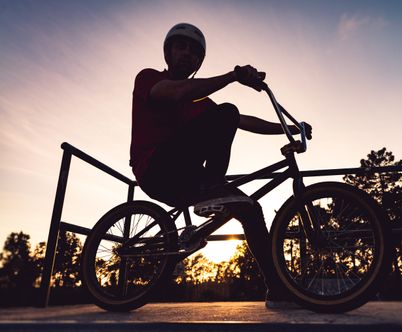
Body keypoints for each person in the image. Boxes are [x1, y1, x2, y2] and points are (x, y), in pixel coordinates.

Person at [130, 23, 312, 308]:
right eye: (181, 47)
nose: (187, 54)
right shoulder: (149, 78)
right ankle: (213, 187)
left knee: (251, 209)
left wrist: (288, 127)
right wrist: (232, 77)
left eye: (194, 52)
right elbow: (176, 94)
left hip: (188, 176)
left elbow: (242, 121)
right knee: (225, 111)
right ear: (168, 53)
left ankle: (277, 289)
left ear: (199, 62)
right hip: (155, 169)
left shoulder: (200, 103)